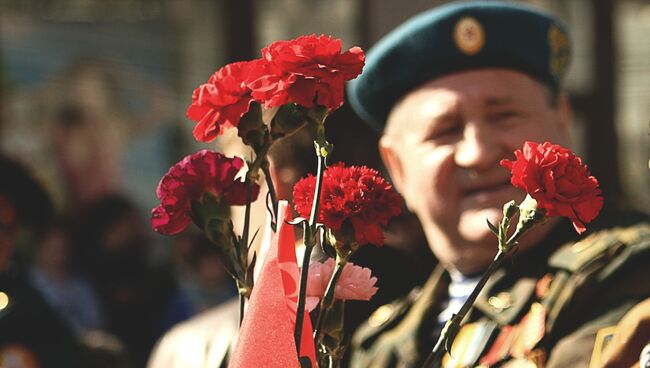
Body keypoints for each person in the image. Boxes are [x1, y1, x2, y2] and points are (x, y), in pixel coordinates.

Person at [346, 1, 650, 367]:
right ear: (396, 167)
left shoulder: (629, 272)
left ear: (563, 124)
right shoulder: (377, 343)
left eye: (505, 116)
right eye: (445, 131)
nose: (478, 153)